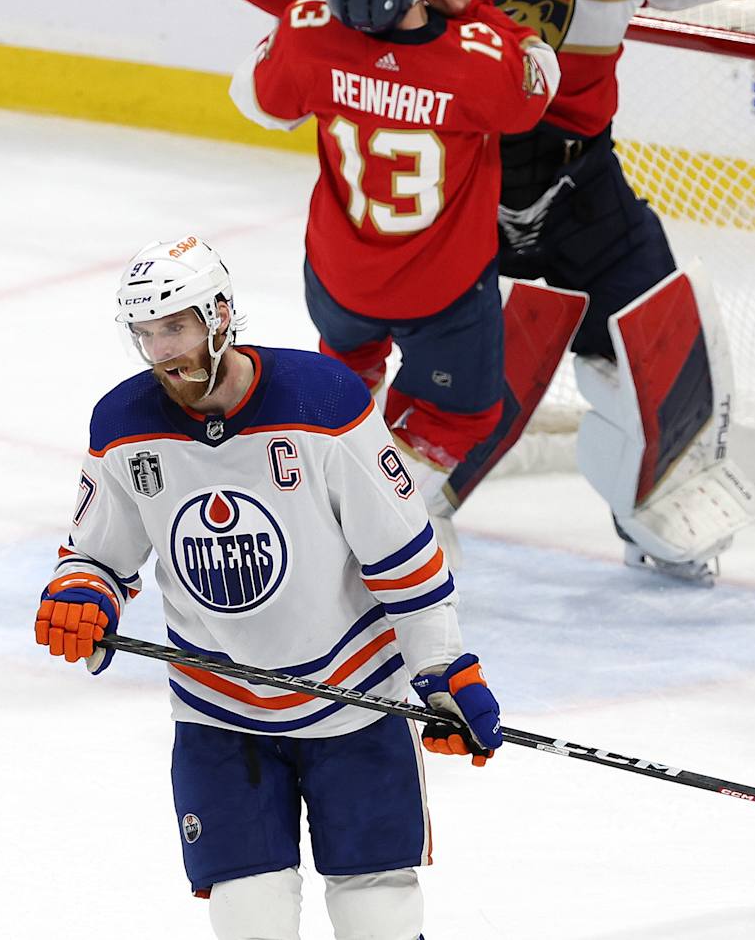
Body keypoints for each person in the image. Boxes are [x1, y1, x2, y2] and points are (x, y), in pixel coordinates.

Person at [117, 0, 755, 582]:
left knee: (649, 335)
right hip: (475, 187)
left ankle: (648, 507)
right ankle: (398, 521)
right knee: (460, 385)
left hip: (579, 188)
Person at [35, 237, 504, 940]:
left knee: (376, 912)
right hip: (218, 710)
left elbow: (404, 554)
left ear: (221, 314)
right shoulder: (123, 425)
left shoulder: (323, 400)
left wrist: (442, 670)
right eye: (148, 333)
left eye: (178, 326)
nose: (163, 350)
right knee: (250, 919)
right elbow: (96, 554)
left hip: (356, 702)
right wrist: (83, 592)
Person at [228, 0, 559, 551]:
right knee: (457, 412)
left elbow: (257, 99)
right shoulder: (478, 57)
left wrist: (308, 15)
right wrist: (487, 13)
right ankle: (384, 519)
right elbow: (539, 80)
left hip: (337, 280)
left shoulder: (305, 29)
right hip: (440, 291)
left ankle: (333, 472)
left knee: (347, 375)